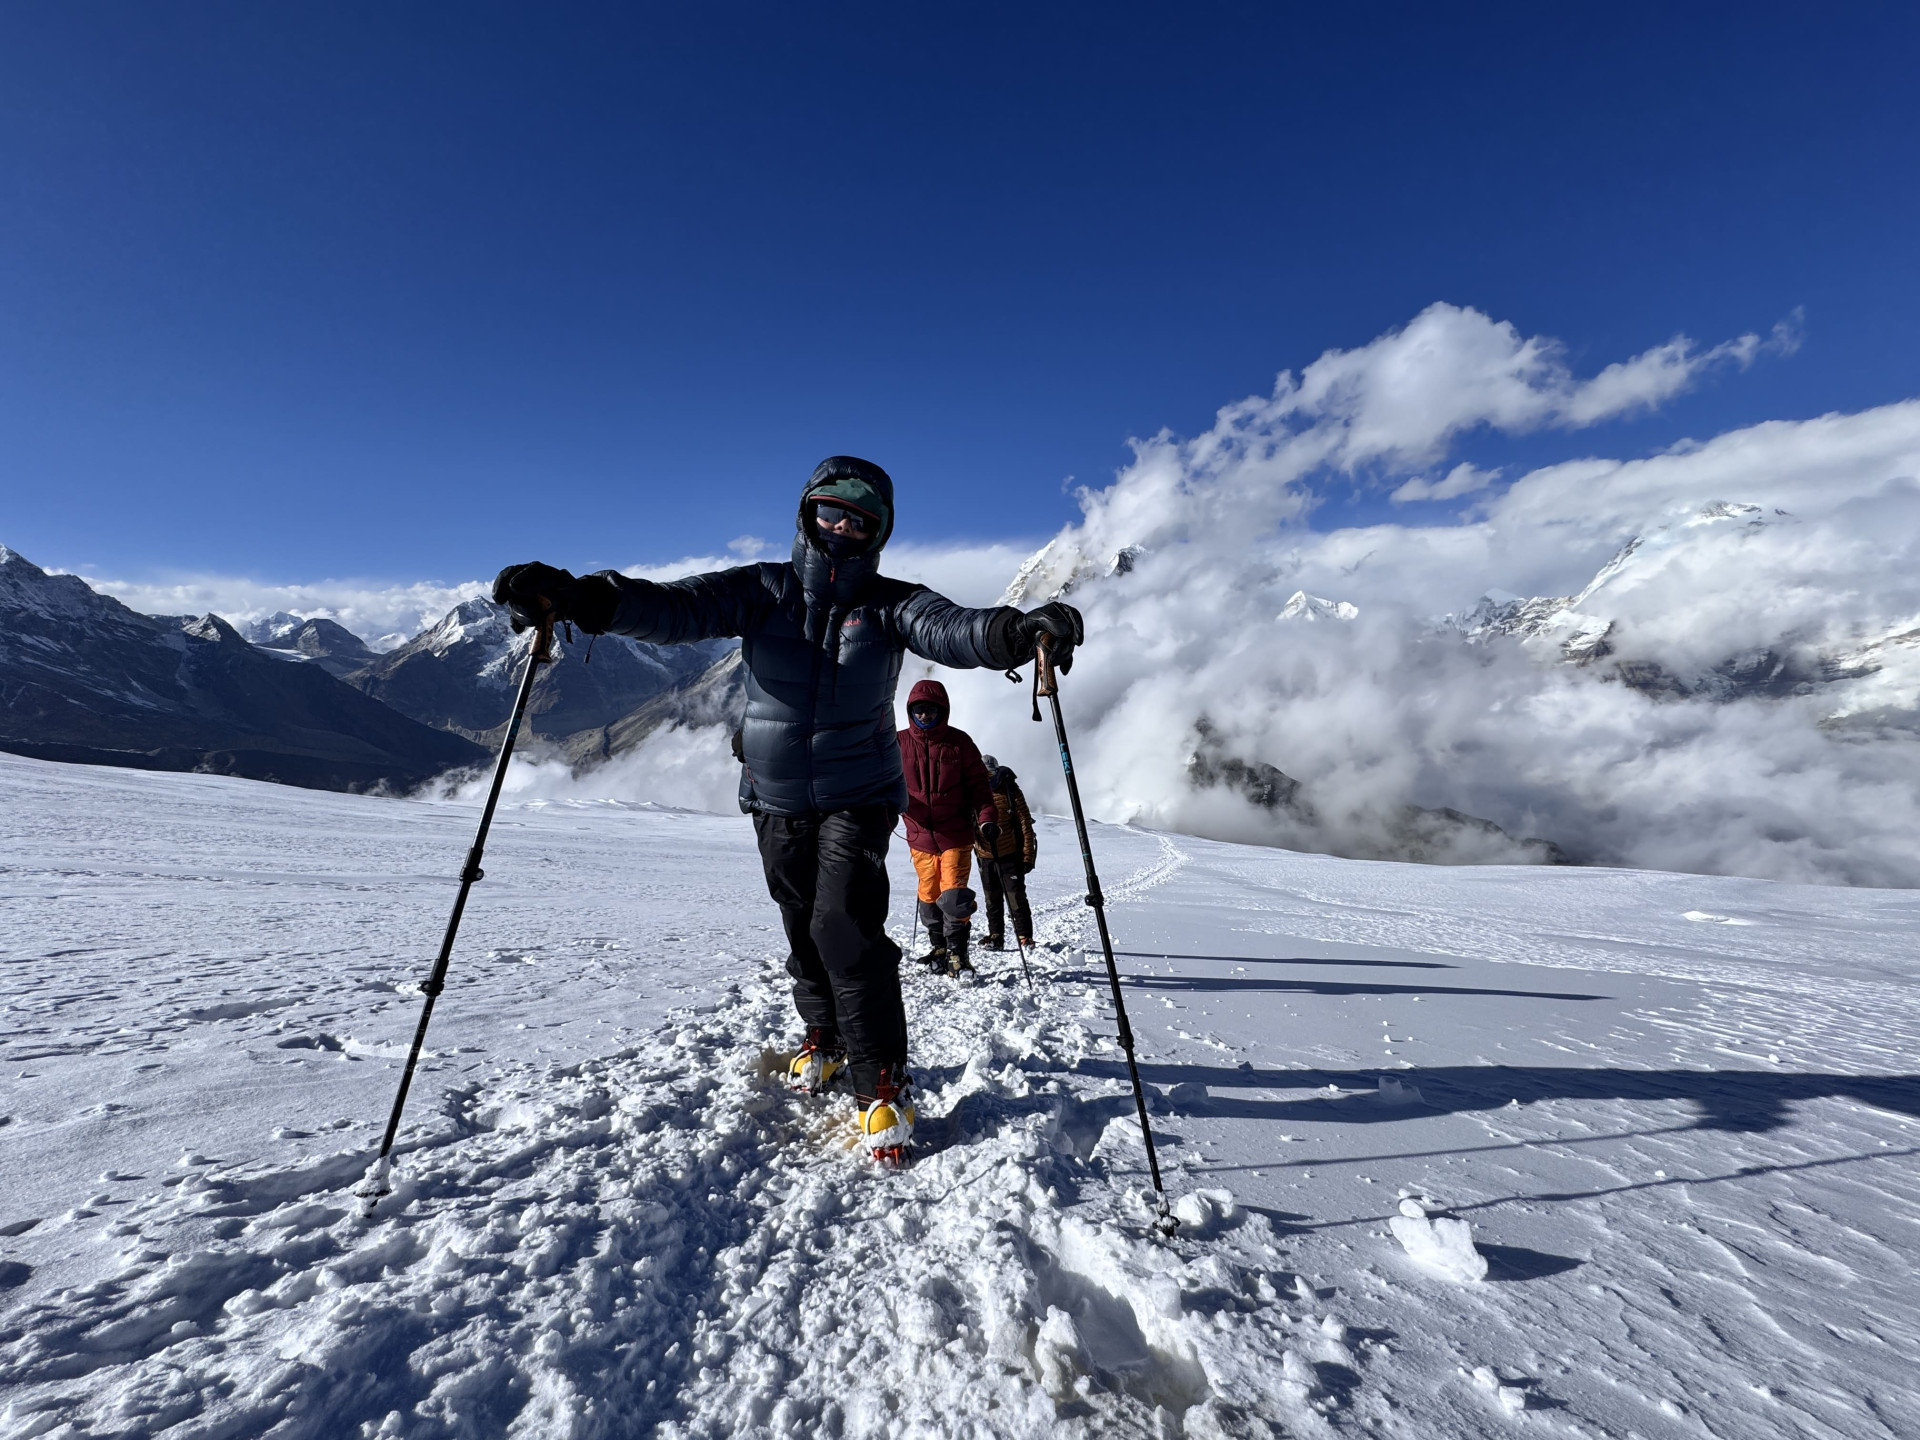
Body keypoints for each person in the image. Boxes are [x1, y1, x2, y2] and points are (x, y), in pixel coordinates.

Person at [491, 456, 1083, 1164]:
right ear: (807, 513)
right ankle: (824, 1036)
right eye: (831, 511)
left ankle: (881, 1078)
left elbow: (954, 629)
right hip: (773, 796)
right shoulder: (760, 590)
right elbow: (674, 608)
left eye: (860, 520)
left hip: (858, 796)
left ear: (879, 532)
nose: (842, 527)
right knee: (802, 923)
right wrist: (583, 598)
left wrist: (1018, 633)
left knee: (844, 925)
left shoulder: (892, 604)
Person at [897, 679, 996, 979]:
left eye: (931, 710)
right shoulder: (898, 742)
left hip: (955, 833)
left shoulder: (959, 742)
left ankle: (958, 953)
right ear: (910, 711)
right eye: (918, 710)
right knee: (928, 895)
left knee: (953, 894)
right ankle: (939, 948)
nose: (924, 715)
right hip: (918, 835)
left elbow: (979, 786)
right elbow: (882, 780)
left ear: (943, 710)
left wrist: (987, 818)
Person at [973, 754, 1037, 950]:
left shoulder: (1010, 790)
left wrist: (1028, 856)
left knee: (1016, 898)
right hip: (985, 856)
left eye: (989, 773)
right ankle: (996, 936)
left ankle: (1025, 937)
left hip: (1010, 855)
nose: (987, 777)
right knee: (992, 900)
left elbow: (1025, 823)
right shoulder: (972, 791)